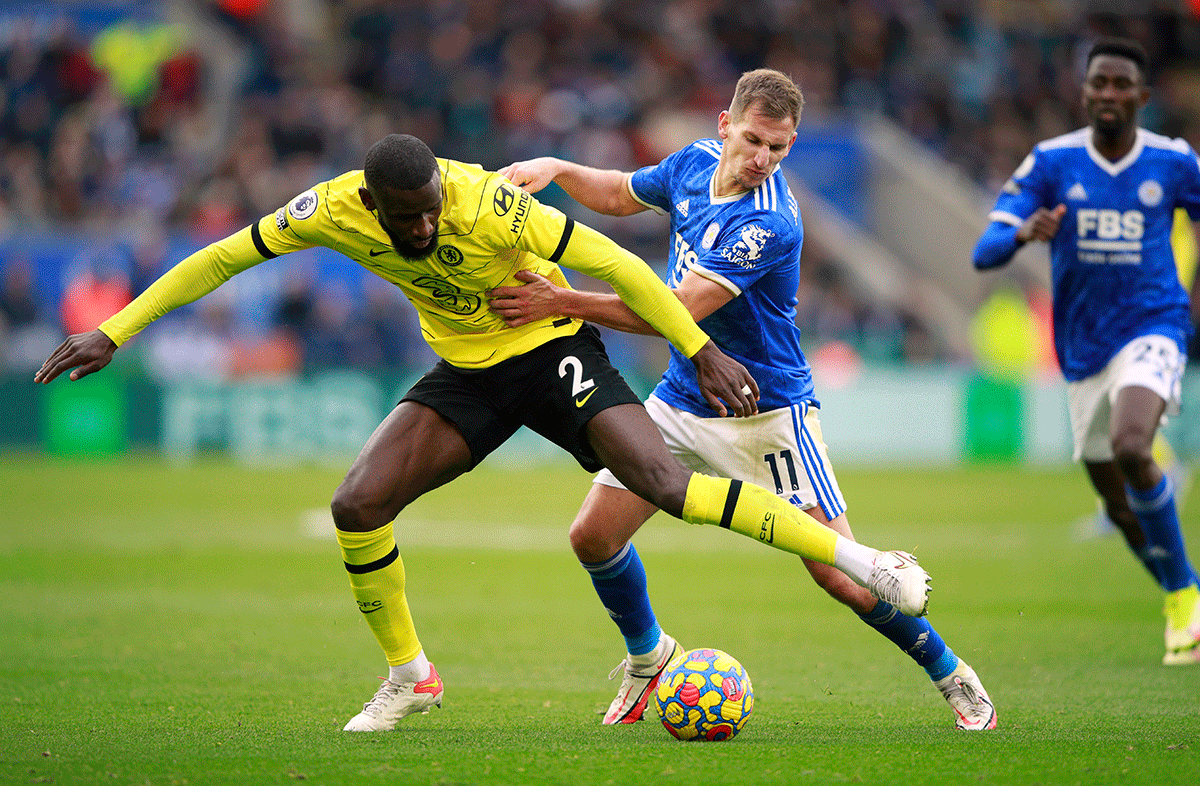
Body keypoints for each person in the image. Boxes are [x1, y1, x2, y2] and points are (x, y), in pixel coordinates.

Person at [35, 133, 932, 731]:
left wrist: (698, 350)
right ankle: (410, 677)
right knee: (358, 504)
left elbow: (616, 258)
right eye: (408, 217)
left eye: (430, 208)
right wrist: (116, 329)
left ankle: (863, 563)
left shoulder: (488, 204)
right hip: (467, 372)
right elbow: (223, 254)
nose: (423, 226)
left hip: (551, 352)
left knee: (662, 484)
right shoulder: (331, 209)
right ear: (374, 204)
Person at [493, 69, 995, 730]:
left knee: (839, 576)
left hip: (766, 414)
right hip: (683, 397)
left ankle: (953, 674)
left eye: (779, 148)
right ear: (726, 126)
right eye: (755, 140)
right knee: (593, 535)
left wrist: (563, 301)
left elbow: (671, 313)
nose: (763, 160)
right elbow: (618, 193)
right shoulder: (692, 162)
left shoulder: (770, 225)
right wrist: (557, 165)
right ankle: (650, 658)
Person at [973, 38, 1200, 665]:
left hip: (1153, 326)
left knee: (1133, 445)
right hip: (1081, 347)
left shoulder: (1174, 164)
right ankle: (1183, 593)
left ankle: (1182, 594)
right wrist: (1023, 231)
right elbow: (984, 249)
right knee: (1118, 503)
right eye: (1099, 83)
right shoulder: (1052, 162)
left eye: (1121, 84)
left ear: (1142, 96)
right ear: (1085, 92)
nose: (1109, 94)